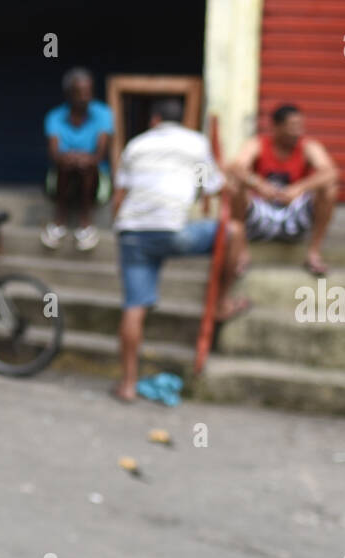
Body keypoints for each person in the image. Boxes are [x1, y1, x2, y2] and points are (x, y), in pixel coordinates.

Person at [110, 97, 245, 403]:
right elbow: (215, 187)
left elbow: (120, 195)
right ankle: (222, 302)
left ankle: (128, 385)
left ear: (154, 120)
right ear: (181, 120)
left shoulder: (136, 144)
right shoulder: (195, 143)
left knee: (134, 307)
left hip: (131, 231)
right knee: (234, 232)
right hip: (172, 231)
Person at [227, 104, 339, 276]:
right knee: (235, 186)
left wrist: (299, 188)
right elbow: (235, 167)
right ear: (276, 127)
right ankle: (241, 253)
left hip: (294, 216)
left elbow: (331, 172)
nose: (297, 132)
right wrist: (258, 184)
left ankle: (313, 253)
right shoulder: (258, 144)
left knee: (330, 189)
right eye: (292, 127)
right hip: (260, 216)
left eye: (300, 126)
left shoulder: (308, 146)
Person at [42, 67, 113, 251]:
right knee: (66, 165)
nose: (85, 97)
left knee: (86, 167)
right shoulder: (55, 116)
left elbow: (100, 154)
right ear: (69, 94)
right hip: (61, 178)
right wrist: (72, 158)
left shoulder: (103, 114)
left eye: (88, 92)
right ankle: (59, 220)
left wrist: (83, 159)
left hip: (96, 181)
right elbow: (54, 153)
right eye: (80, 93)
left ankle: (85, 222)